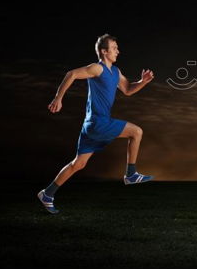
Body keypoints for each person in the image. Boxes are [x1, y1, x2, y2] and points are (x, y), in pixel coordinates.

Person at [38, 34, 155, 214]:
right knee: (136, 132)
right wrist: (58, 98)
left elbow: (128, 90)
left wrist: (142, 82)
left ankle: (47, 194)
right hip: (98, 123)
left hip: (91, 126)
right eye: (114, 48)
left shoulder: (116, 72)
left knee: (78, 164)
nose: (118, 51)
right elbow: (72, 74)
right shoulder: (96, 68)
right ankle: (131, 174)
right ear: (104, 51)